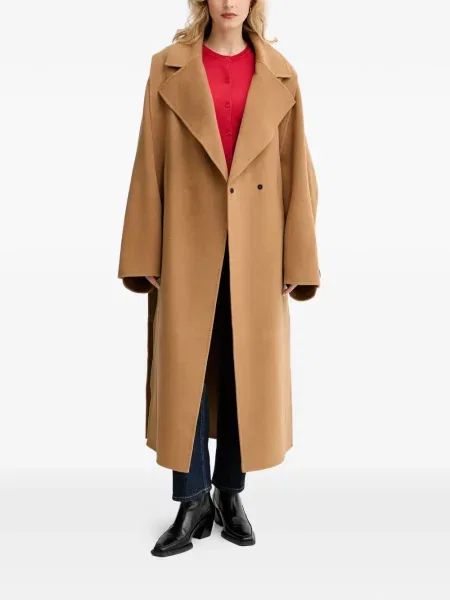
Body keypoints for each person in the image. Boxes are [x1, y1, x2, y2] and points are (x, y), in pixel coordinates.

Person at [117, 0, 320, 558]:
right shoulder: (168, 66)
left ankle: (229, 493)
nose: (230, 2)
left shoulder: (281, 74)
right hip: (186, 240)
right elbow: (149, 160)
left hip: (258, 246)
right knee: (185, 367)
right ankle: (192, 500)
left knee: (242, 369)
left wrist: (297, 259)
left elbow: (298, 171)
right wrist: (146, 249)